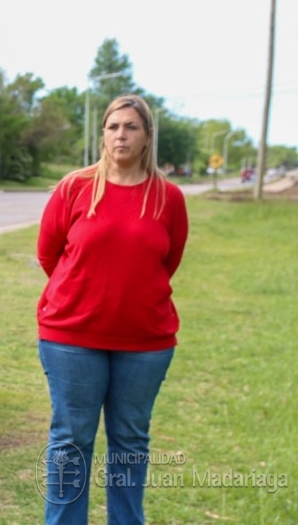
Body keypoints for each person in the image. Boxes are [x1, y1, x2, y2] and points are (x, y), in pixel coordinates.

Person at [35, 94, 188, 524]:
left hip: (145, 343)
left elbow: (167, 261)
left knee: (130, 442)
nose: (121, 135)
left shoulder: (168, 198)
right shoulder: (74, 188)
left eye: (131, 127)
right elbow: (50, 255)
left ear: (147, 137)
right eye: (113, 126)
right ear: (103, 134)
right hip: (71, 338)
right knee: (71, 441)